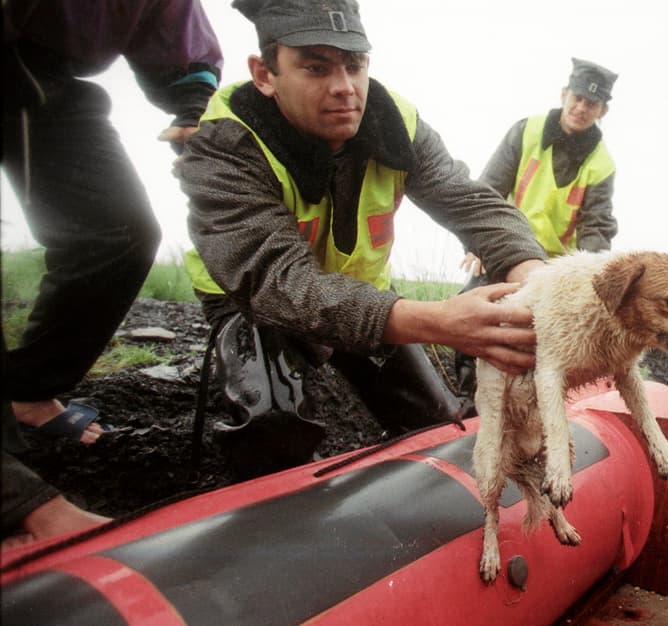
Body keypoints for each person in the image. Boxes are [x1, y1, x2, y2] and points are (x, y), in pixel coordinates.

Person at [178, 0, 548, 476]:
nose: (344, 88)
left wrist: (535, 274)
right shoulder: (226, 144)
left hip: (365, 298)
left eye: (355, 66)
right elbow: (277, 284)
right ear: (264, 74)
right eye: (315, 67)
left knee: (438, 425)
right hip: (255, 302)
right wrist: (436, 321)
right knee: (271, 430)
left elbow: (472, 203)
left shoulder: (398, 123)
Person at [2, 0, 222, 546]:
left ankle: (27, 391)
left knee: (119, 233)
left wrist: (193, 104)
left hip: (47, 75)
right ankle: (13, 505)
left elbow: (173, 25)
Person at [460, 57, 619, 279]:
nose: (581, 108)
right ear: (564, 94)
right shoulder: (526, 131)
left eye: (591, 104)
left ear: (603, 111)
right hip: (507, 252)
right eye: (577, 98)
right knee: (467, 308)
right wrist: (477, 246)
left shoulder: (602, 164)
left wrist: (585, 278)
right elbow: (489, 192)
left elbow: (596, 229)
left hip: (557, 272)